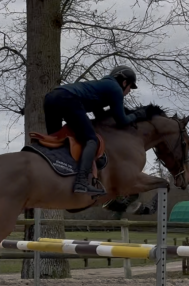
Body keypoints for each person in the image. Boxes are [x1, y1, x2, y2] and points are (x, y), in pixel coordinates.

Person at [43, 65, 141, 196]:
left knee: (55, 140)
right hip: (68, 99)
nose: (129, 91)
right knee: (91, 140)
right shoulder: (116, 89)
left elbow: (100, 115)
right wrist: (137, 115)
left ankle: (51, 173)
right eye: (130, 87)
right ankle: (81, 182)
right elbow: (121, 120)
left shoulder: (100, 87)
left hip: (51, 98)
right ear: (124, 82)